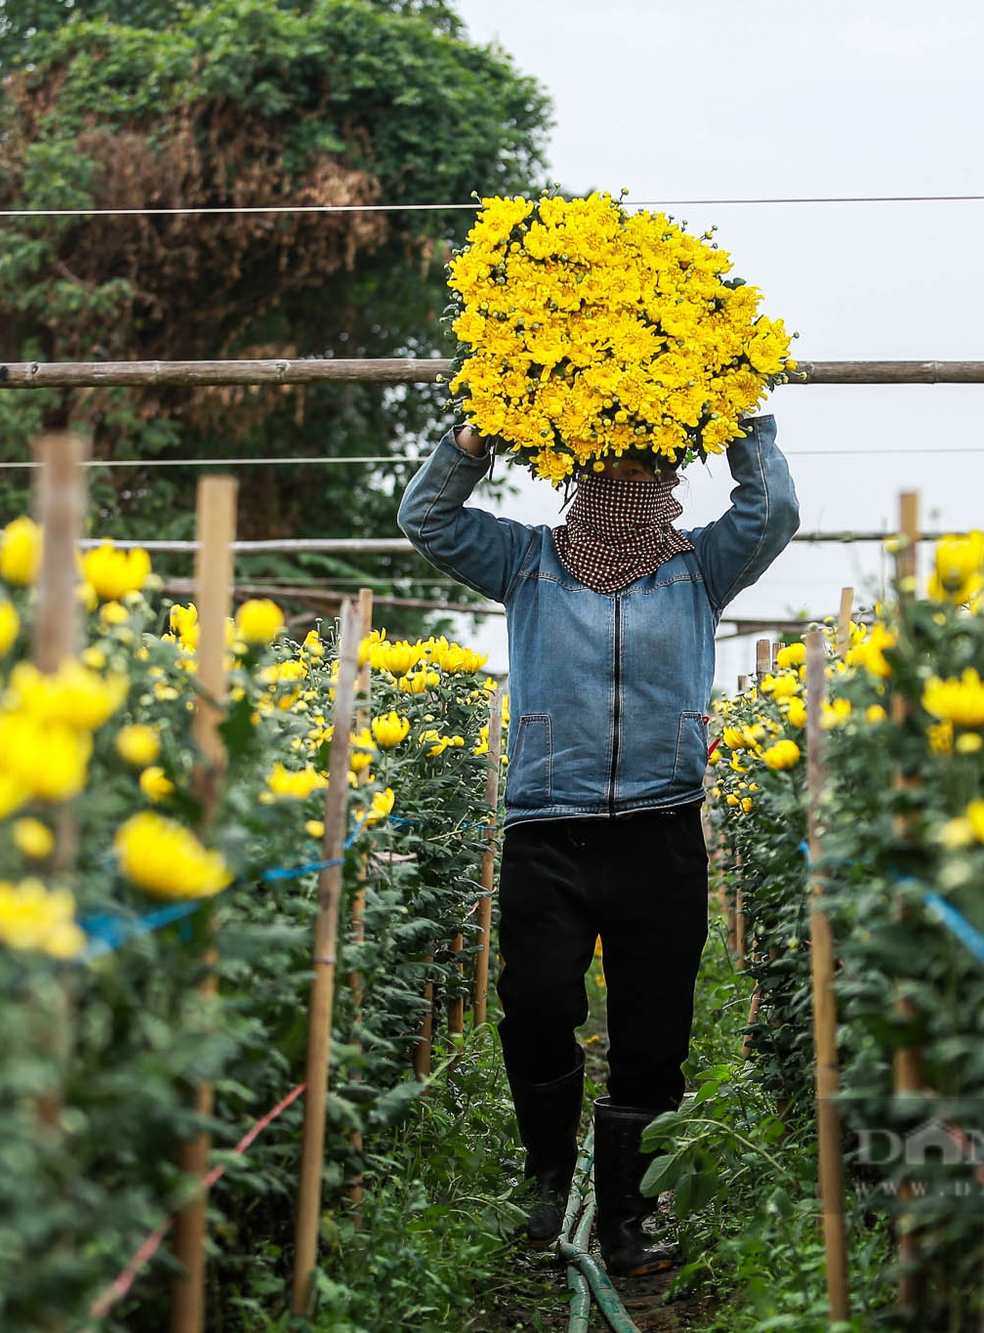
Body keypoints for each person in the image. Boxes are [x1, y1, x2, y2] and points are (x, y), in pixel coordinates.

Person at [397, 416, 799, 1276]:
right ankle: (547, 1178)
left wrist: (743, 422)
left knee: (654, 1035)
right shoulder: (524, 561)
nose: (625, 483)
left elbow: (774, 512)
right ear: (576, 473)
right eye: (606, 465)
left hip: (661, 828)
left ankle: (626, 1215)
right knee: (538, 1004)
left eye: (642, 465)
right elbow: (426, 518)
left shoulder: (699, 566)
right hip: (549, 825)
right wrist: (473, 441)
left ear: (664, 476)